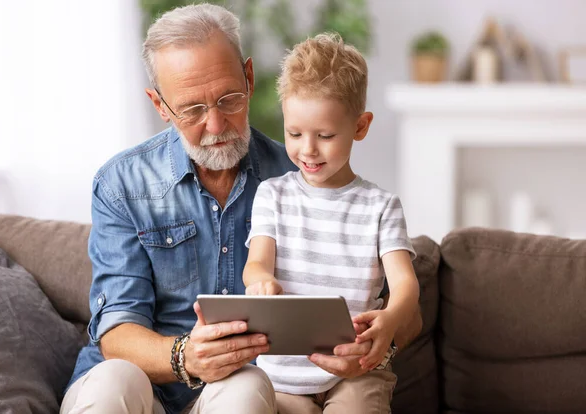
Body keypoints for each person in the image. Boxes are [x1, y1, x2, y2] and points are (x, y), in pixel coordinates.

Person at [60, 4, 302, 414]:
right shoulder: (121, 183)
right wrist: (184, 356)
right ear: (160, 106)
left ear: (249, 77)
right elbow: (117, 331)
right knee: (114, 378)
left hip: (241, 391)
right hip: (135, 390)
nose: (215, 125)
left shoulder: (297, 177)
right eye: (191, 109)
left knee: (244, 386)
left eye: (228, 99)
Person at [243, 33, 421, 414]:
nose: (308, 149)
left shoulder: (381, 206)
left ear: (360, 126)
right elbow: (256, 263)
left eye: (325, 136)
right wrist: (260, 281)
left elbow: (405, 284)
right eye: (294, 133)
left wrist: (390, 320)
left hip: (356, 374)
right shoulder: (272, 196)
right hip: (281, 379)